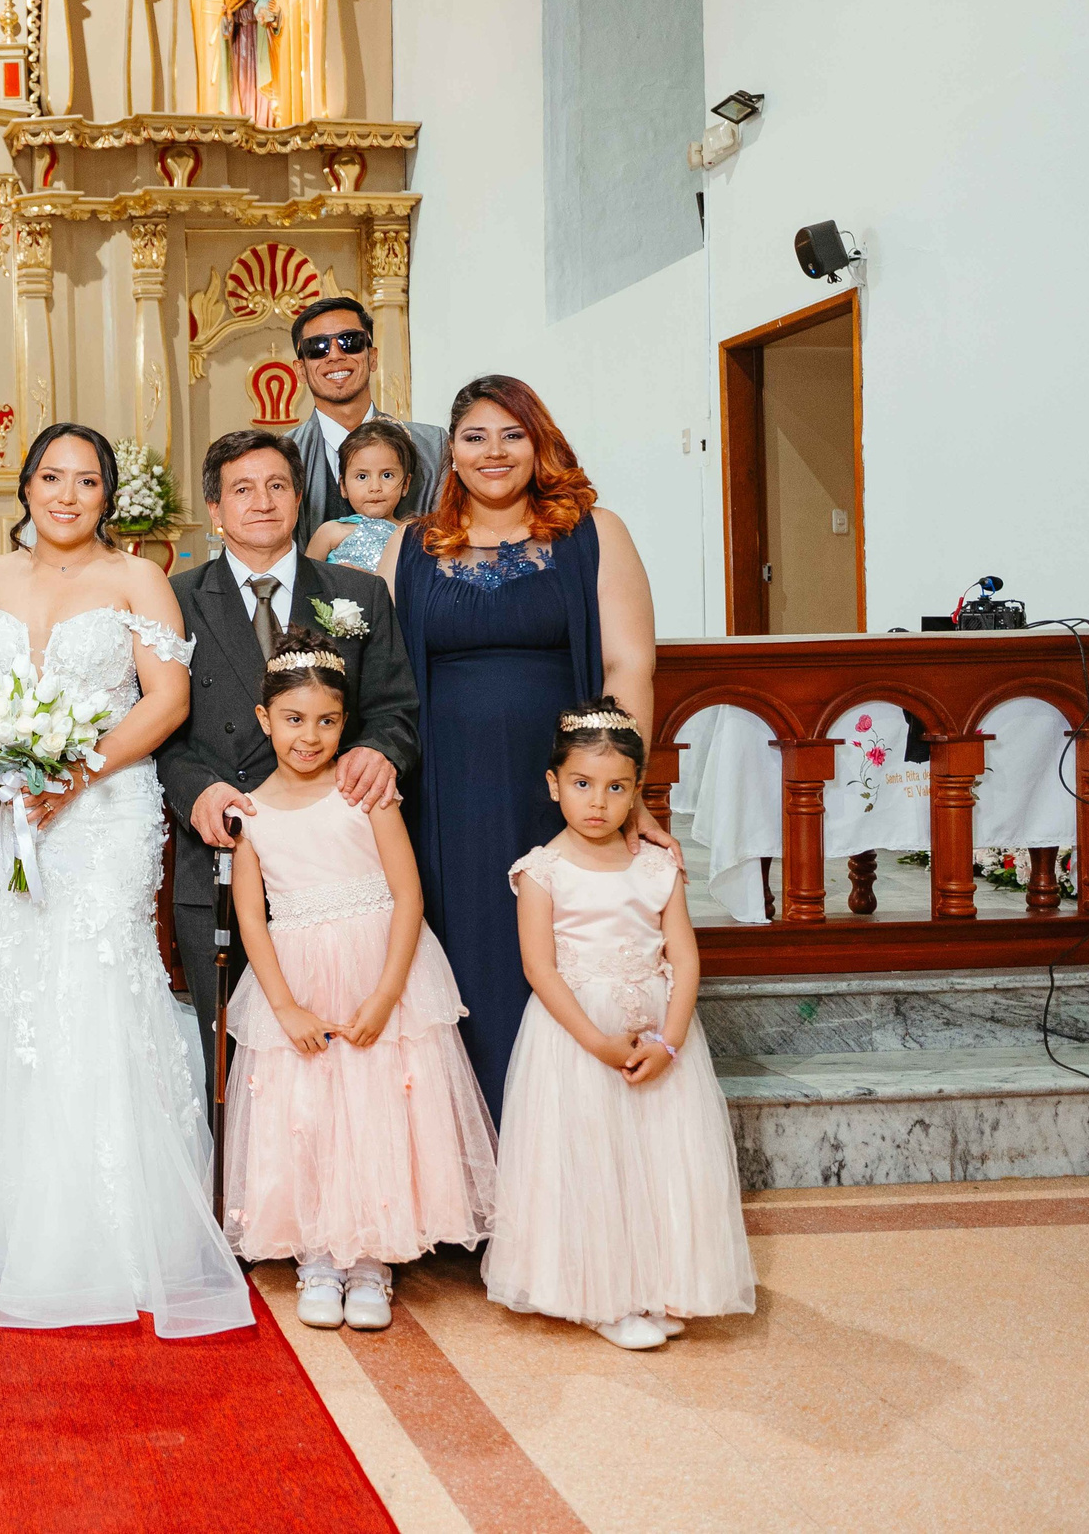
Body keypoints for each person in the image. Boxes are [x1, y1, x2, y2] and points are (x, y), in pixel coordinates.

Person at [0, 423, 252, 1337]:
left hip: (106, 807)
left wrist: (78, 771)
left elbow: (166, 699)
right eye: (51, 476)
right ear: (25, 485)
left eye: (87, 480)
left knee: (98, 977)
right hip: (11, 802)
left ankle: (118, 1226)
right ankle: (13, 1218)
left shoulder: (136, 579)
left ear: (109, 494)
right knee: (18, 980)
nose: (66, 493)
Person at [379, 374, 668, 1114]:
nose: (494, 451)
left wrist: (621, 784)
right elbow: (379, 678)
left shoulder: (594, 533)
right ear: (452, 452)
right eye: (475, 436)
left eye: (513, 433)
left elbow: (628, 664)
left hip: (563, 790)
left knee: (562, 948)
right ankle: (475, 1161)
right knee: (461, 957)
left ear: (540, 443)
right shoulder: (409, 546)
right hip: (444, 792)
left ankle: (563, 1147)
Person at [221, 627, 496, 1333]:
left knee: (378, 1108)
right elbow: (253, 917)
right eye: (292, 718)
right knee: (309, 1111)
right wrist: (283, 1004)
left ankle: (373, 1260)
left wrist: (384, 994)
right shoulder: (250, 813)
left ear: (346, 721)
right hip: (301, 980)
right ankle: (317, 1254)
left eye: (327, 720)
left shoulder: (365, 794)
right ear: (264, 719)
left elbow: (407, 895)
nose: (309, 736)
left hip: (379, 969)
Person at [481, 701, 754, 1350]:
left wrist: (671, 1039)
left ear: (638, 790)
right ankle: (602, 1294)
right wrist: (597, 1040)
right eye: (581, 784)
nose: (597, 802)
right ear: (554, 784)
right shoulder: (541, 869)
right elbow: (539, 967)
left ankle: (658, 1279)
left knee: (657, 1159)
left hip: (658, 1035)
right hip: (578, 1038)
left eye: (615, 787)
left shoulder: (658, 866)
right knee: (592, 1161)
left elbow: (684, 955)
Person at [156, 428, 418, 1093]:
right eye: (241, 489)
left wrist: (373, 752)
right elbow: (161, 734)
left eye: (277, 485)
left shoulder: (357, 594)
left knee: (357, 1058)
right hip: (223, 848)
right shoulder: (175, 600)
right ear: (214, 509)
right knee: (238, 1067)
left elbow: (396, 711)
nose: (262, 501)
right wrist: (200, 793)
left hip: (340, 866)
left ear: (300, 498)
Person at [282, 296, 448, 553]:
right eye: (318, 347)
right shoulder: (282, 455)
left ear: (372, 357)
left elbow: (449, 543)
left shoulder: (432, 447)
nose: (335, 355)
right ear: (300, 369)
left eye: (350, 342)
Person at [304, 417, 419, 574]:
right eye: (362, 477)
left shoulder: (413, 537)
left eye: (387, 475)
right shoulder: (329, 532)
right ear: (343, 486)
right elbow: (305, 587)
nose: (375, 488)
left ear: (405, 484)